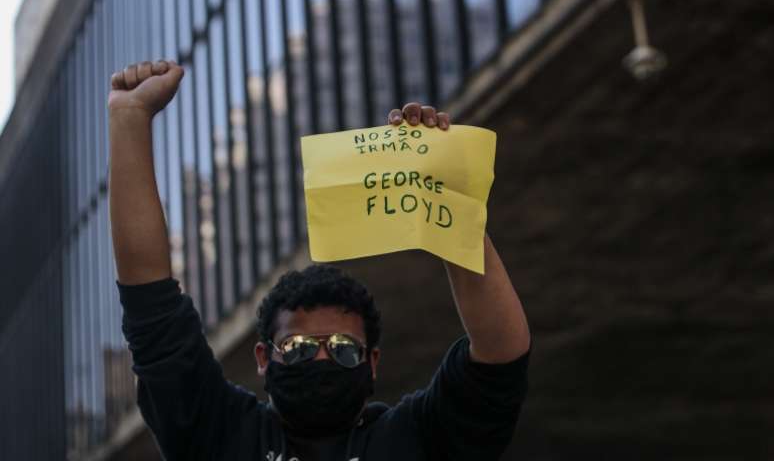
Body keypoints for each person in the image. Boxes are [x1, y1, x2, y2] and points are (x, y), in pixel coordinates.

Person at [108, 59, 531, 461]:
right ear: (262, 357)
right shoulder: (222, 435)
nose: (323, 360)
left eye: (345, 350)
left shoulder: (413, 440)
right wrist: (129, 117)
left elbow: (500, 356)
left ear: (372, 362)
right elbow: (152, 307)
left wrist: (445, 197)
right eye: (298, 349)